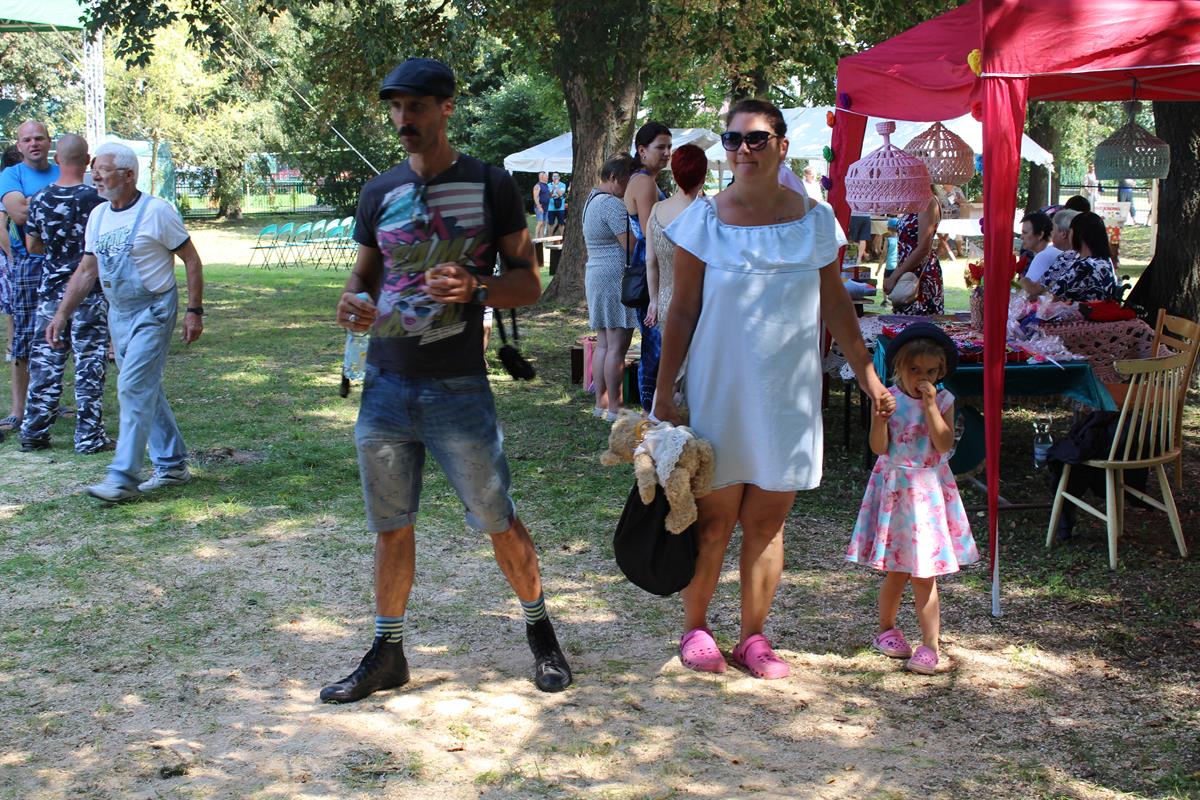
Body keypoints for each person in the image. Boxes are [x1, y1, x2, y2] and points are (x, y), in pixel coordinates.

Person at [325, 57, 571, 704]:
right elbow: (364, 276)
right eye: (396, 107)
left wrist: (477, 287)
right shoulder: (378, 192)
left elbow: (529, 282)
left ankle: (542, 633)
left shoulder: (491, 185)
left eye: (416, 106)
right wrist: (351, 302)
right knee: (390, 525)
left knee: (496, 517)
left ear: (446, 108)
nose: (403, 118)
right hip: (384, 384)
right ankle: (388, 652)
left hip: (457, 387)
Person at [651, 99, 893, 679]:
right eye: (733, 140)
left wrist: (867, 373)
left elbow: (836, 305)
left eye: (756, 138)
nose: (743, 150)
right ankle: (696, 629)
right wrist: (663, 392)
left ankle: (753, 638)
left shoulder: (816, 220)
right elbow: (680, 312)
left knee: (766, 525)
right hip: (719, 396)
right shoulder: (703, 220)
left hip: (788, 399)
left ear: (782, 146)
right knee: (713, 522)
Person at [47, 142, 204, 502]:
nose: (96, 177)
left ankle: (122, 478)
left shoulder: (157, 212)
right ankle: (173, 465)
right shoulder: (99, 216)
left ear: (129, 174)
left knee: (132, 386)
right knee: (145, 386)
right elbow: (87, 270)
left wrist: (194, 311)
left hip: (154, 310)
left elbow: (192, 260)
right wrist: (61, 313)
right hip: (118, 313)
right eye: (94, 170)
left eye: (103, 170)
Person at [846, 323, 978, 675]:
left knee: (925, 573)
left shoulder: (944, 400)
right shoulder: (888, 398)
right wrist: (879, 418)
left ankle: (930, 645)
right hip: (896, 490)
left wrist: (932, 407)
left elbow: (944, 444)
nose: (923, 378)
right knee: (897, 571)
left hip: (927, 492)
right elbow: (879, 447)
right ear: (899, 367)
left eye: (931, 372)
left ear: (941, 372)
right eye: (915, 369)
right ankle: (886, 630)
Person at [20, 134, 109, 453]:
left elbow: (32, 245)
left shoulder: (40, 199)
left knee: (46, 363)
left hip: (51, 294)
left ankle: (34, 431)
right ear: (87, 161)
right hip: (90, 294)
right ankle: (88, 436)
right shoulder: (98, 200)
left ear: (57, 159)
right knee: (89, 365)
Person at [0, 121, 60, 432]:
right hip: (28, 264)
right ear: (19, 146)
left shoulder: (64, 170)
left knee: (60, 336)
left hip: (65, 264)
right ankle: (18, 410)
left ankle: (51, 402)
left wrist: (31, 199)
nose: (34, 143)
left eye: (39, 138)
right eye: (27, 140)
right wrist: (58, 201)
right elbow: (19, 214)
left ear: (49, 141)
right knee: (23, 339)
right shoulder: (11, 175)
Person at [583, 153, 637, 421]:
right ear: (615, 177)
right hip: (615, 277)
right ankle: (616, 408)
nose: (630, 188)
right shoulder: (612, 205)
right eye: (628, 181)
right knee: (617, 346)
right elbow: (631, 246)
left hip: (596, 275)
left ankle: (601, 404)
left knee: (604, 344)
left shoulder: (591, 200)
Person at [624, 121, 671, 412]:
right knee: (655, 344)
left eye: (669, 147)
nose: (667, 153)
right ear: (642, 150)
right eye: (660, 147)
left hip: (651, 267)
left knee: (657, 341)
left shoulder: (645, 180)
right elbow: (649, 232)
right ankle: (650, 411)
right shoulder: (643, 182)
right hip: (649, 269)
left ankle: (653, 408)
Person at [646, 144, 706, 339]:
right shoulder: (709, 214)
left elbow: (650, 261)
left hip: (666, 302)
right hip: (703, 304)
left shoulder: (656, 210)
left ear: (674, 174)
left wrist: (654, 300)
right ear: (703, 177)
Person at [883, 188, 943, 316]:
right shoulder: (916, 201)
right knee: (904, 322)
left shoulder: (927, 202)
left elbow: (923, 248)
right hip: (908, 270)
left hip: (920, 274)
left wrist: (894, 277)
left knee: (918, 323)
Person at [1044, 211, 1118, 303]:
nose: (1069, 236)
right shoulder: (1106, 262)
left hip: (1080, 311)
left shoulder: (1083, 266)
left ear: (1078, 235)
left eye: (1070, 232)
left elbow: (1052, 297)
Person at [1017, 210, 1059, 298]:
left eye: (1025, 233)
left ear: (1040, 235)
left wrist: (1023, 281)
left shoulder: (1044, 256)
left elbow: (1026, 293)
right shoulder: (1051, 252)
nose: (1021, 237)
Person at [532, 171, 550, 239]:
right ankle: (536, 238)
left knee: (543, 223)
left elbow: (546, 195)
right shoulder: (538, 185)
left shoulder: (546, 185)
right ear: (541, 176)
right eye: (546, 175)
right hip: (540, 207)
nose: (547, 177)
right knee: (540, 222)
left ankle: (541, 238)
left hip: (546, 207)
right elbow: (535, 197)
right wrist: (539, 207)